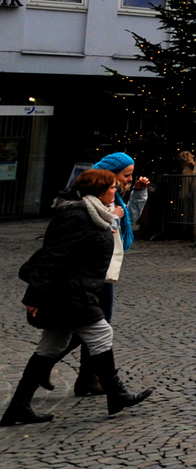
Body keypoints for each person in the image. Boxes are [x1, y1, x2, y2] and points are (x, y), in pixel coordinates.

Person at [2, 168, 151, 426]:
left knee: (51, 346)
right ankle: (116, 393)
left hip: (74, 290)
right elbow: (52, 258)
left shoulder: (95, 213)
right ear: (99, 191)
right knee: (101, 333)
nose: (116, 192)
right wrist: (34, 297)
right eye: (113, 188)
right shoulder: (77, 216)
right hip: (69, 292)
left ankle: (18, 406)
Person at [58, 153, 150, 397]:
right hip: (93, 272)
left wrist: (139, 193)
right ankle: (87, 378)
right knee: (95, 325)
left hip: (103, 271)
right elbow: (98, 229)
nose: (130, 179)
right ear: (111, 175)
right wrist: (114, 218)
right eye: (126, 175)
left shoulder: (113, 195)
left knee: (94, 325)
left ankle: (87, 377)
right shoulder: (96, 199)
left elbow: (129, 218)